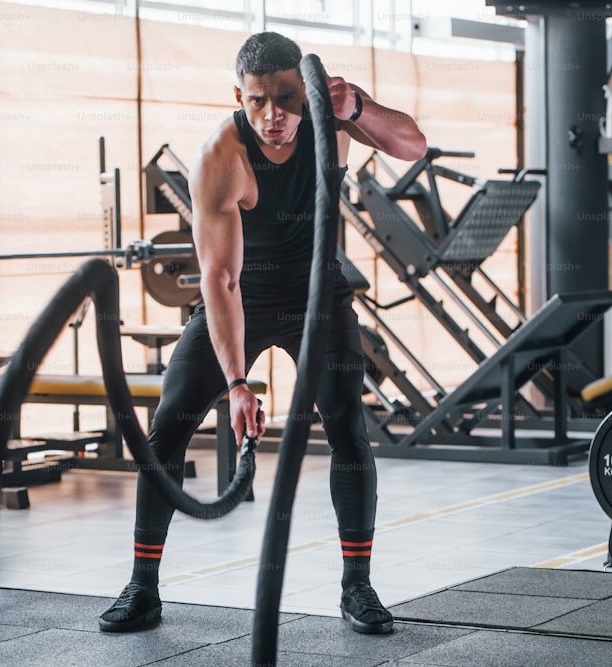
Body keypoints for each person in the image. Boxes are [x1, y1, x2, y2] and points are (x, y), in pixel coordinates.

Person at [100, 31, 427, 635]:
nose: (272, 116)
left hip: (317, 297)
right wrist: (236, 384)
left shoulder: (330, 121)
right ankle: (142, 587)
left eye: (285, 99)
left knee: (348, 424)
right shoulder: (220, 156)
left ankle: (358, 586)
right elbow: (220, 278)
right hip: (242, 295)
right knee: (168, 423)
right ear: (239, 97)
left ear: (304, 92)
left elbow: (413, 144)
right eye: (257, 102)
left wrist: (355, 106)